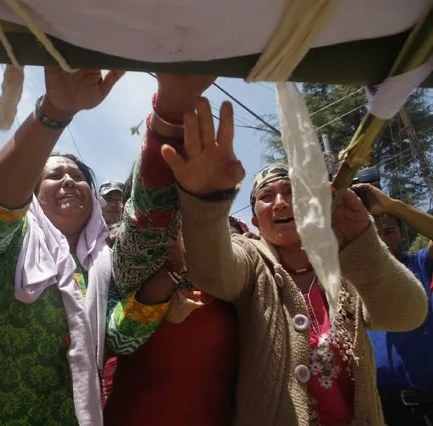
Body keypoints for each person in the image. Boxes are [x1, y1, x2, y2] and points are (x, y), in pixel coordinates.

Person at [160, 96, 428, 425]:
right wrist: (207, 201)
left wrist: (361, 242)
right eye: (266, 197)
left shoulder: (343, 266)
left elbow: (407, 314)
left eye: (290, 193)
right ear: (256, 219)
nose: (280, 203)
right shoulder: (251, 258)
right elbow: (213, 272)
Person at [0, 67, 124, 425]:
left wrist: (165, 284)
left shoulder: (102, 267)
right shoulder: (8, 236)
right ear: (30, 193)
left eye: (77, 177)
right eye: (53, 175)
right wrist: (54, 113)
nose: (68, 181)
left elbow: (120, 335)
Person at [104, 75, 238, 426]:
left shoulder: (238, 256)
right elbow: (151, 219)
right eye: (175, 180)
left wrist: (208, 207)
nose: (185, 191)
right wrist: (170, 117)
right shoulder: (132, 261)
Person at [355, 183, 433, 425]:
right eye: (374, 234)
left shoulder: (420, 266)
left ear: (402, 234)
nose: (383, 241)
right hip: (384, 410)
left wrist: (392, 206)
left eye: (389, 232)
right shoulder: (353, 281)